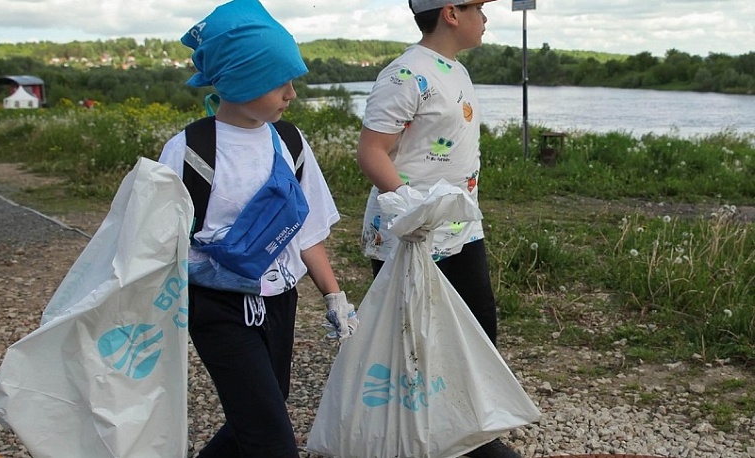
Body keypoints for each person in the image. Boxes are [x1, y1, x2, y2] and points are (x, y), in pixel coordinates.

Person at [158, 1, 358, 456]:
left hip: (279, 300)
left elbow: (305, 231)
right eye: (278, 83)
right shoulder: (189, 151)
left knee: (262, 412)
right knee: (271, 437)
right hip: (218, 305)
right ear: (241, 79)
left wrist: (334, 296)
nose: (291, 94)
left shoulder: (290, 142)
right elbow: (154, 245)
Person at [356, 1, 521, 457]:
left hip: (461, 230)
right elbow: (371, 152)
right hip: (411, 237)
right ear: (451, 12)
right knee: (414, 343)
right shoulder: (404, 74)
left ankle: (468, 432)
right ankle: (415, 437)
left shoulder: (456, 70)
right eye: (479, 7)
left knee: (477, 330)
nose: (485, 16)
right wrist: (412, 209)